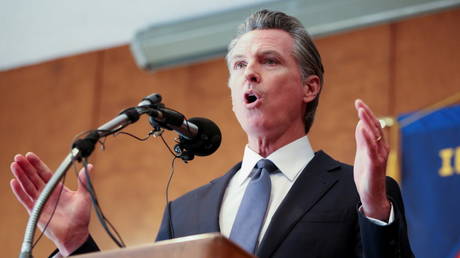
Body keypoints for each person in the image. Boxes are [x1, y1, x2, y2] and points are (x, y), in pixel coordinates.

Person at [10, 9, 413, 258]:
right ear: (234, 92)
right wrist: (77, 243)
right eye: (238, 65)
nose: (249, 72)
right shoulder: (182, 213)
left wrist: (375, 208)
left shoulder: (359, 191)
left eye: (268, 61)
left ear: (310, 87)